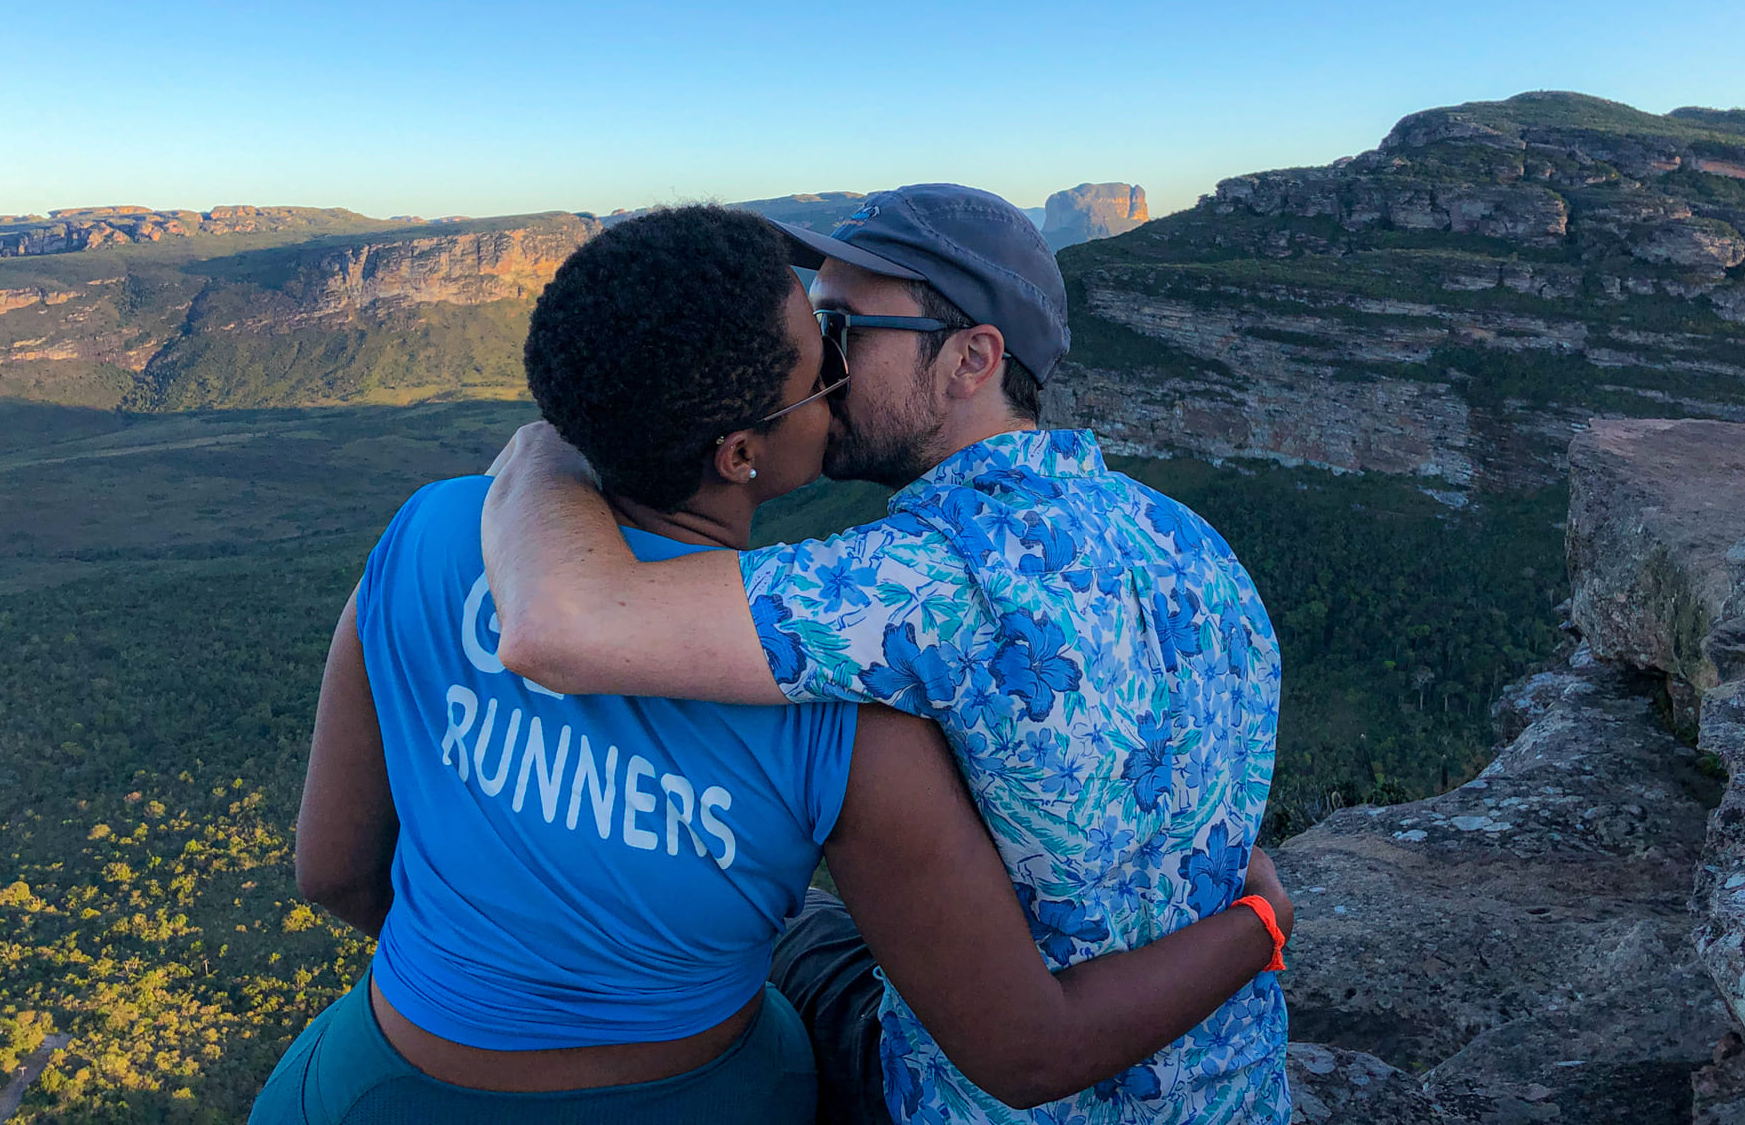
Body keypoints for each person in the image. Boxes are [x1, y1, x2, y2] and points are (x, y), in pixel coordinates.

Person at [252, 205, 1293, 1125]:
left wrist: (540, 448)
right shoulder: (1197, 546)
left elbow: (342, 862)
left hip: (382, 1079)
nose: (830, 377)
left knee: (803, 943)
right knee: (803, 940)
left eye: (848, 335)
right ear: (739, 446)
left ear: (972, 359)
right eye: (818, 343)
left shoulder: (870, 612)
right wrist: (1258, 916)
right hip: (1225, 1075)